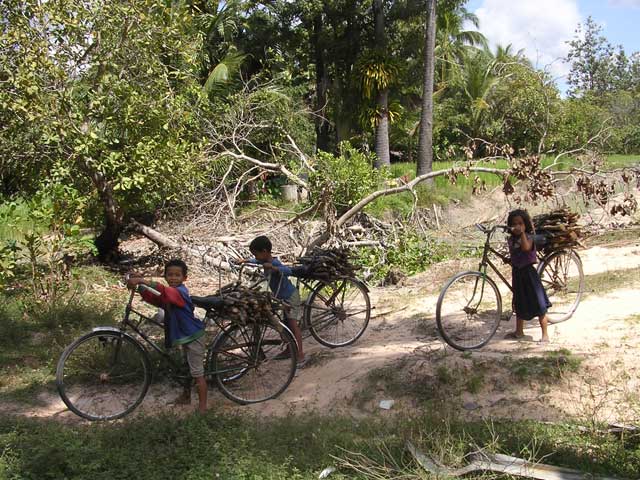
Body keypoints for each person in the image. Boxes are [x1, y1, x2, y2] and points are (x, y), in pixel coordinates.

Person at [126, 259, 208, 413]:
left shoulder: (180, 292)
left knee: (197, 373)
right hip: (184, 335)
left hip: (193, 336)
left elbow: (164, 292)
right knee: (186, 368)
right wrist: (141, 287)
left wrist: (142, 280)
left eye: (177, 275)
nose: (173, 278)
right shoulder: (169, 292)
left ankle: (203, 407)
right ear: (165, 276)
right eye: (170, 275)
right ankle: (186, 397)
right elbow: (157, 298)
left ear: (185, 278)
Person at [245, 236, 306, 367]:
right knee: (284, 324)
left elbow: (288, 271)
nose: (255, 257)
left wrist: (274, 268)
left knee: (293, 326)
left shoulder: (275, 263)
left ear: (265, 251)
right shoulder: (262, 260)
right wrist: (244, 260)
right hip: (280, 298)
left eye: (256, 254)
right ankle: (289, 349)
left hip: (290, 297)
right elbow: (255, 261)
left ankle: (300, 354)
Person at [504, 209, 551, 343]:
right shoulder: (512, 240)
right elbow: (516, 253)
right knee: (519, 302)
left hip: (529, 275)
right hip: (517, 274)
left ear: (525, 225)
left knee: (539, 304)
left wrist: (523, 233)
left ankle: (545, 335)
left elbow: (525, 248)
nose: (517, 226)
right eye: (514, 224)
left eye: (520, 223)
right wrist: (509, 259)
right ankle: (519, 331)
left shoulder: (529, 238)